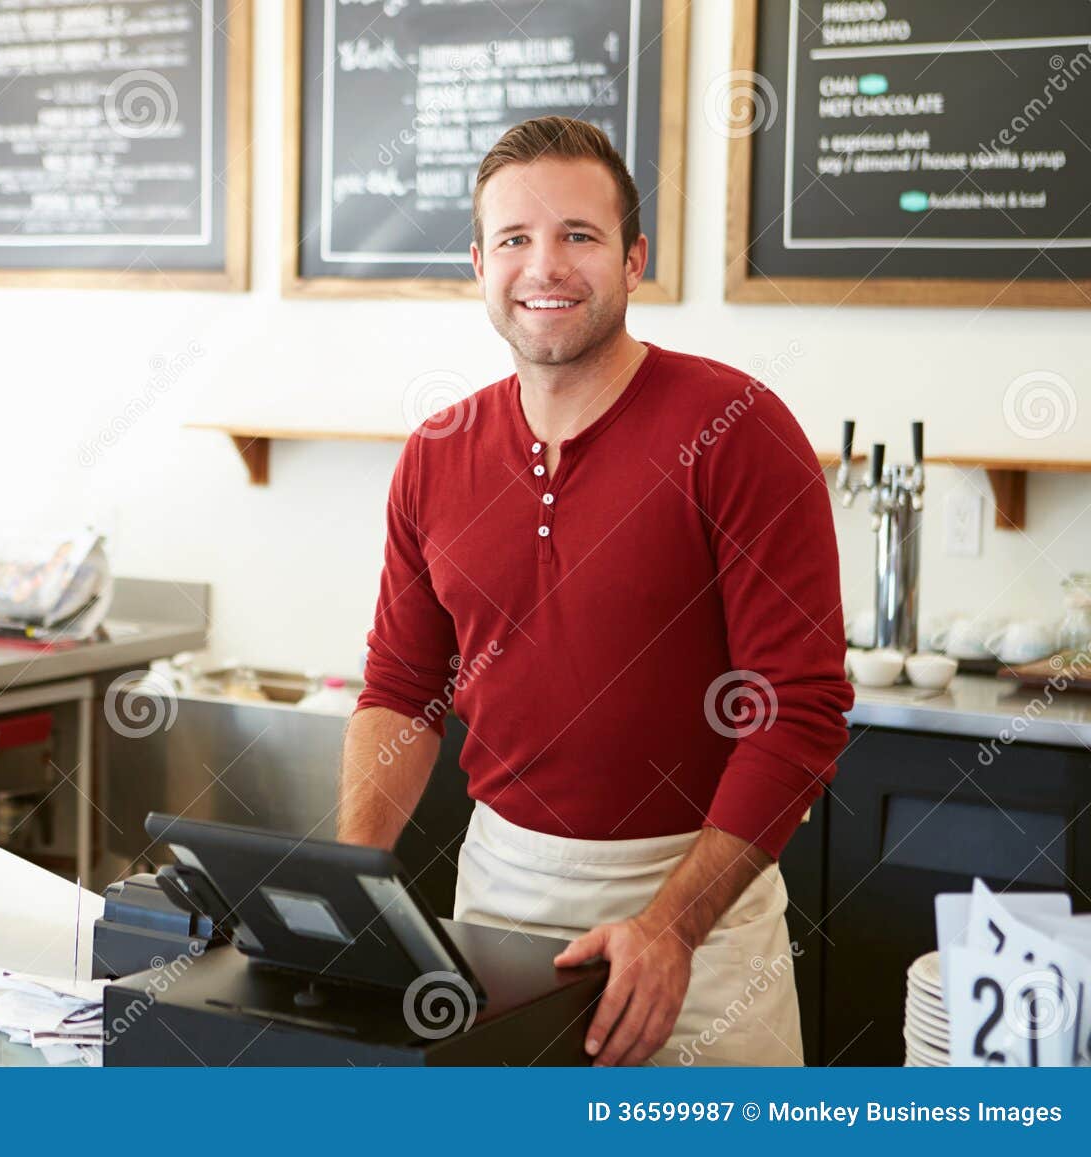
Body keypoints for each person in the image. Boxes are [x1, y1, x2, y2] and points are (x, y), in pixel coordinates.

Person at [339, 116, 853, 1066]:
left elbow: (801, 711)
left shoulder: (739, 429)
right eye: (515, 240)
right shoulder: (435, 455)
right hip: (498, 905)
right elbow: (402, 689)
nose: (547, 266)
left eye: (579, 235)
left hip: (700, 921)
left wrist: (670, 928)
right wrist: (348, 880)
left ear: (634, 259)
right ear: (478, 263)